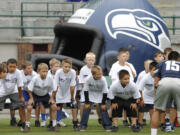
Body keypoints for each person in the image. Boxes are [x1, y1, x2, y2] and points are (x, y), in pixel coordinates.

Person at [151, 51, 180, 135]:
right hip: (178, 82)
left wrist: (157, 93)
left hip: (164, 82)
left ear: (168, 58)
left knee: (157, 110)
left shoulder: (162, 63)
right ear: (178, 58)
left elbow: (156, 81)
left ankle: (153, 133)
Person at [26, 63, 59, 132]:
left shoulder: (50, 78)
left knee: (54, 107)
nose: (45, 73)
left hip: (45, 95)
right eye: (43, 71)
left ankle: (54, 125)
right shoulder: (35, 78)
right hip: (35, 95)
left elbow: (55, 89)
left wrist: (52, 98)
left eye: (46, 71)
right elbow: (29, 90)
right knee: (29, 107)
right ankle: (27, 125)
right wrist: (31, 99)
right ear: (38, 71)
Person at [109, 48, 136, 126]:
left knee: (131, 106)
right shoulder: (115, 66)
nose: (125, 57)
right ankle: (112, 122)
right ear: (118, 57)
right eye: (123, 56)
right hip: (117, 91)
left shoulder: (128, 66)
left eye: (126, 56)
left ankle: (133, 123)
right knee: (115, 107)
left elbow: (132, 78)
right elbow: (113, 79)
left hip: (128, 90)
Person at [80, 65, 112, 131]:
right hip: (90, 96)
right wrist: (86, 102)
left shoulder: (103, 79)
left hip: (100, 96)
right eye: (98, 74)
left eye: (101, 74)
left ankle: (107, 126)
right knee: (86, 109)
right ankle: (83, 126)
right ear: (92, 74)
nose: (100, 75)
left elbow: (105, 92)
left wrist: (103, 104)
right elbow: (86, 90)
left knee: (103, 109)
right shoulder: (88, 79)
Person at [1, 59, 26, 132]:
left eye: (14, 67)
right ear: (7, 66)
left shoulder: (18, 73)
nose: (12, 68)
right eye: (10, 66)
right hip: (3, 91)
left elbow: (19, 85)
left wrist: (21, 97)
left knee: (21, 105)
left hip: (14, 91)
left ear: (17, 66)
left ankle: (24, 124)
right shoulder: (2, 71)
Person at [54, 58, 78, 131]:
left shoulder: (73, 72)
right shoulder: (58, 72)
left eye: (69, 67)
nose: (68, 68)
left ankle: (75, 123)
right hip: (60, 90)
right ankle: (57, 121)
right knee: (59, 105)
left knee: (73, 105)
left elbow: (72, 86)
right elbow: (56, 85)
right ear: (62, 66)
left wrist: (72, 98)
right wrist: (54, 96)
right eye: (66, 67)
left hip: (69, 91)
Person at [79, 52, 102, 124]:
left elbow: (100, 80)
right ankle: (82, 121)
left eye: (92, 60)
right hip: (85, 91)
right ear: (85, 60)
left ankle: (100, 118)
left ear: (94, 60)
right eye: (89, 60)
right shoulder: (83, 69)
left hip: (96, 90)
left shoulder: (97, 69)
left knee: (99, 104)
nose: (90, 61)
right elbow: (82, 82)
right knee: (82, 105)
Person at [138, 61, 157, 129]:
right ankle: (139, 124)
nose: (155, 72)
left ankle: (153, 125)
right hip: (145, 97)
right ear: (150, 70)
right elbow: (139, 89)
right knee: (141, 110)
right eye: (154, 70)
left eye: (157, 70)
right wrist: (141, 100)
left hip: (154, 98)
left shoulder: (159, 77)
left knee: (153, 113)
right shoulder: (145, 77)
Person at [20, 61, 38, 127]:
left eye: (31, 68)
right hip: (24, 91)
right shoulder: (19, 74)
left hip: (33, 92)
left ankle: (37, 121)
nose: (31, 70)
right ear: (23, 69)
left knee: (33, 106)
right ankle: (23, 120)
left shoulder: (35, 75)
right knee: (22, 105)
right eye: (28, 68)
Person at [136, 59, 153, 126]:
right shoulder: (141, 74)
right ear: (145, 66)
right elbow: (138, 86)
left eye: (150, 65)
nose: (149, 66)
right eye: (148, 65)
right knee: (141, 110)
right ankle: (139, 123)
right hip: (143, 95)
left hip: (152, 96)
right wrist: (139, 97)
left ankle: (153, 123)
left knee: (152, 110)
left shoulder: (154, 74)